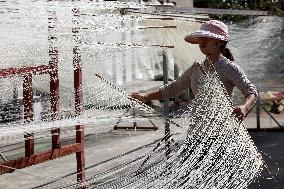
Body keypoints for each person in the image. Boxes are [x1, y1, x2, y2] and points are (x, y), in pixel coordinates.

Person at [131, 20, 258, 120]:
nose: (202, 41)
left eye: (207, 38)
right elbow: (174, 88)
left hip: (221, 131)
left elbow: (251, 91)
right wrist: (146, 96)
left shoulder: (229, 68)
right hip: (197, 131)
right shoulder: (196, 69)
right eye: (201, 38)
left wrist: (245, 107)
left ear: (218, 42)